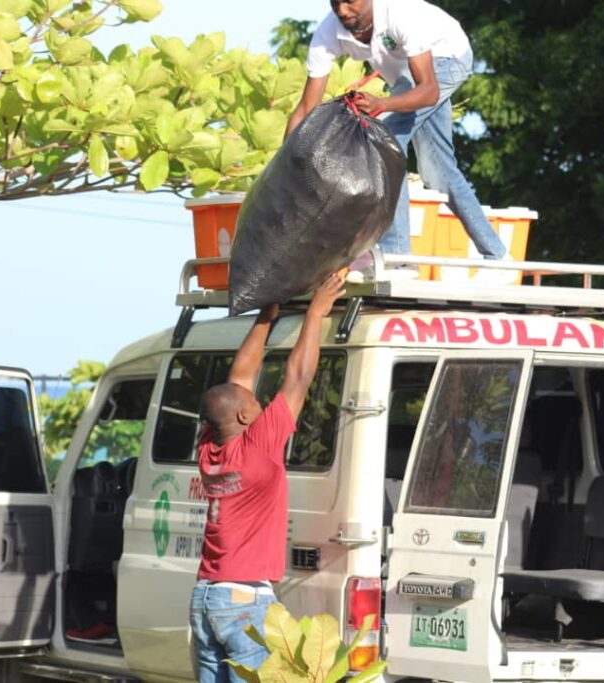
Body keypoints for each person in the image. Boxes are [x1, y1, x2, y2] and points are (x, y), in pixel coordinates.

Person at [188, 272, 345, 683]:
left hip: (206, 598)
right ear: (243, 417)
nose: (261, 405)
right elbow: (298, 377)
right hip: (242, 600)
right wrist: (316, 311)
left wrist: (266, 315)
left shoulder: (211, 449)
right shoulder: (258, 449)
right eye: (257, 404)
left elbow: (238, 381)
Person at [285, 0, 511, 282]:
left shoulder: (400, 14)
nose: (343, 11)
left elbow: (428, 90)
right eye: (335, 3)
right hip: (407, 80)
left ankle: (398, 257)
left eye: (351, 1)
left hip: (448, 59)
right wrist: (285, 164)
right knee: (439, 173)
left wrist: (381, 103)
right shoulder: (327, 34)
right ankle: (499, 258)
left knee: (384, 143)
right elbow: (306, 109)